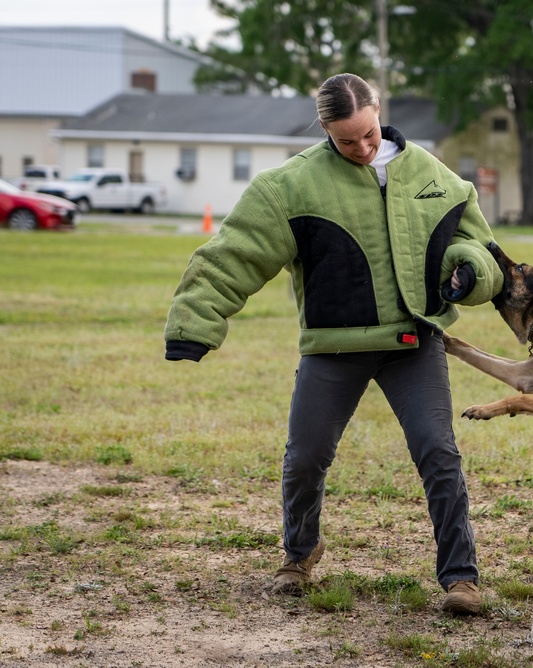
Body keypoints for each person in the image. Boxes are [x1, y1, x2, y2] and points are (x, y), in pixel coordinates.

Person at [164, 73, 503, 615]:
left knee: (439, 454)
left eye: (369, 135)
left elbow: (479, 243)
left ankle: (461, 578)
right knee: (305, 459)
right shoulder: (290, 187)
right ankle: (299, 554)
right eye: (347, 141)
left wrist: (470, 270)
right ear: (325, 130)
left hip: (413, 343)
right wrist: (193, 324)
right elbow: (234, 253)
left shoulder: (432, 175)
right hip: (333, 347)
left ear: (378, 112)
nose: (362, 149)